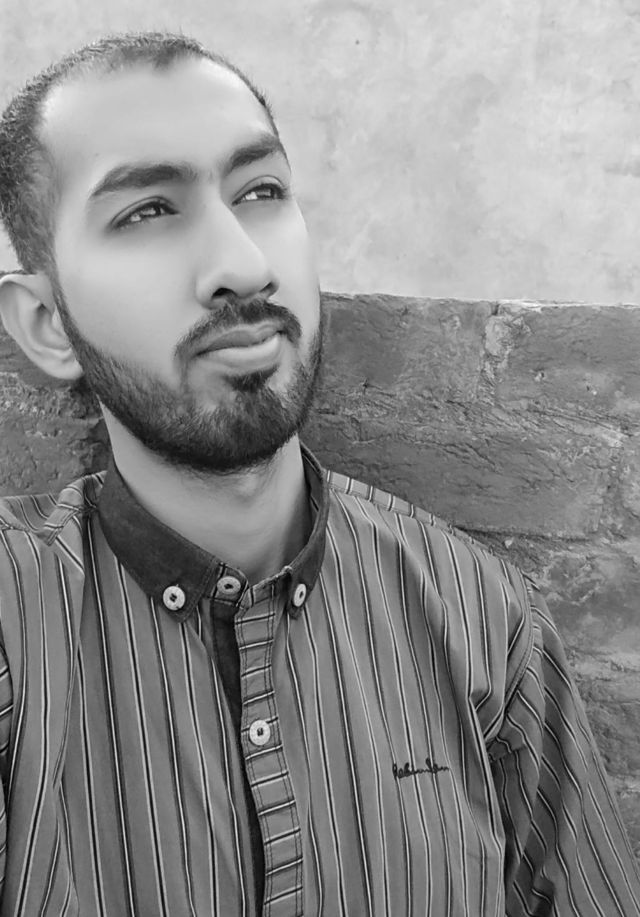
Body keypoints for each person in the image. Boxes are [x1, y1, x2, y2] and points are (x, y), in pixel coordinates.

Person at [0, 31, 637, 917]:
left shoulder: (483, 615)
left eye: (261, 191)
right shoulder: (17, 630)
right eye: (146, 211)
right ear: (46, 324)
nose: (243, 264)